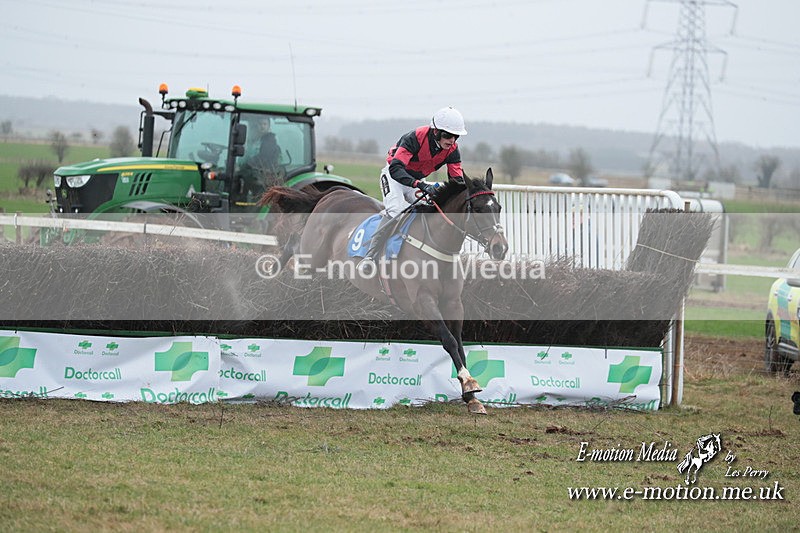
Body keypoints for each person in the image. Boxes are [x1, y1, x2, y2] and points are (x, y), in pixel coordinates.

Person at [358, 106, 468, 271]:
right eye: (447, 135)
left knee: (430, 209)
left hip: (416, 180)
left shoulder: (452, 150)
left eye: (456, 136)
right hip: (394, 176)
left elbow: (457, 181)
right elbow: (396, 169)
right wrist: (420, 184)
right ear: (436, 132)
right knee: (396, 210)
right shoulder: (415, 137)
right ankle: (370, 256)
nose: (452, 140)